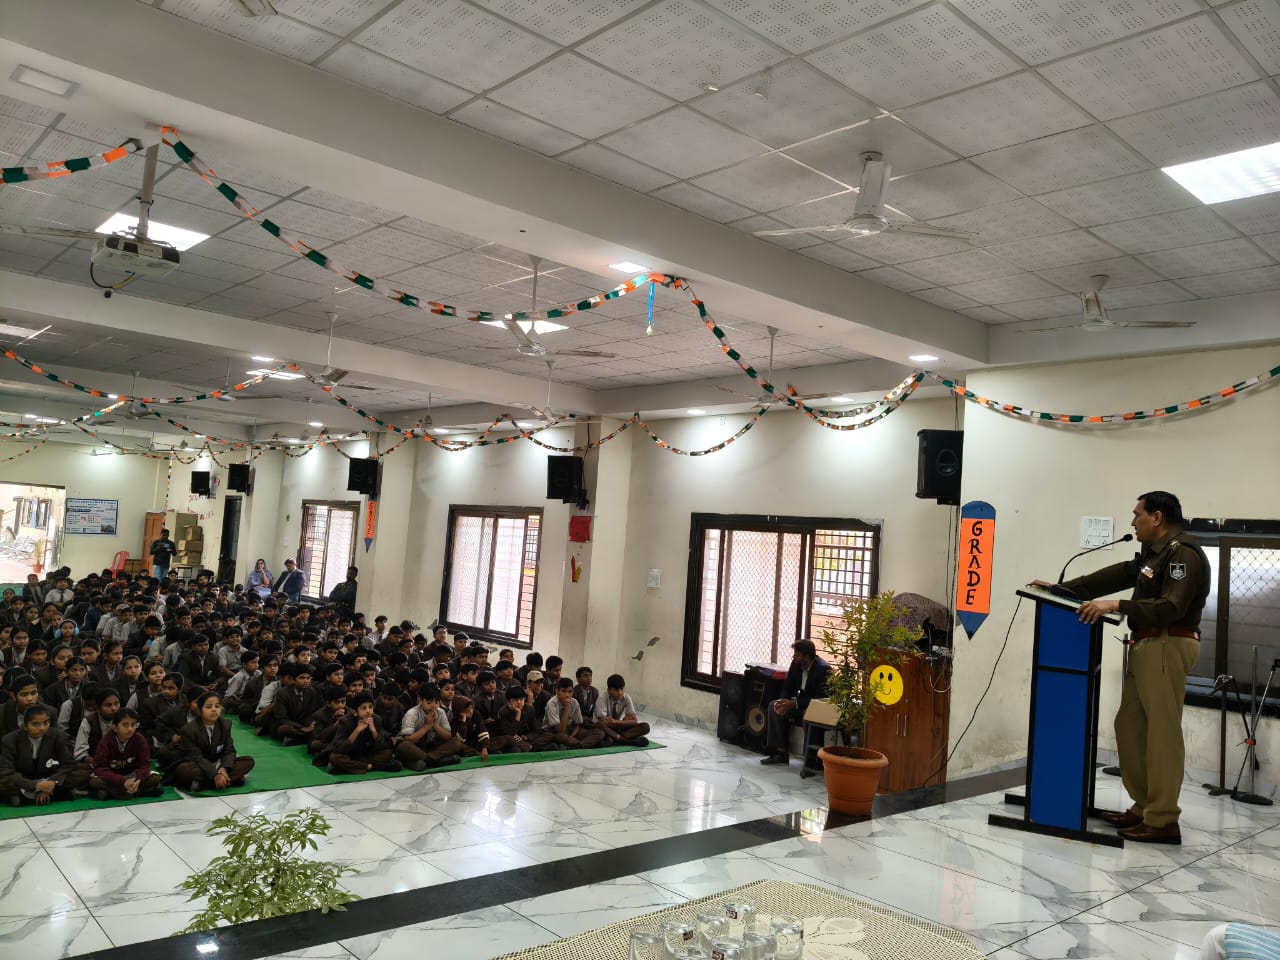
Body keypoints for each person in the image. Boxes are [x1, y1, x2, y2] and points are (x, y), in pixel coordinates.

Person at [1033, 491, 1210, 845]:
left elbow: (1171, 607)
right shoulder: (1154, 555)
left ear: (1157, 518)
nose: (1132, 522)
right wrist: (1061, 589)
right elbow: (1114, 576)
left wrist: (1117, 605)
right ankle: (1144, 806)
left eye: (1137, 515)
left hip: (1167, 644)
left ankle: (1162, 819)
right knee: (1129, 726)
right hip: (1147, 645)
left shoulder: (1183, 555)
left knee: (1162, 734)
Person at [761, 639, 832, 766]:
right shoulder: (795, 664)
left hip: (814, 706)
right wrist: (783, 701)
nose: (794, 657)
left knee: (808, 715)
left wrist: (794, 704)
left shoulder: (823, 669)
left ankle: (811, 760)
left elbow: (819, 699)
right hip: (799, 703)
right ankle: (780, 753)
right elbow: (787, 687)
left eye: (797, 655)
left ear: (807, 657)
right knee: (774, 706)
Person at [0, 704, 88, 806]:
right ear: (25, 726)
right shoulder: (10, 740)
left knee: (83, 773)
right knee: (4, 781)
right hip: (24, 778)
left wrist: (51, 782)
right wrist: (36, 785)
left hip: (50, 775)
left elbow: (68, 764)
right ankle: (58, 794)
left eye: (46, 723)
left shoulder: (58, 736)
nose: (42, 728)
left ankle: (24, 797)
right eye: (35, 724)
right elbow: (8, 771)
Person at [171, 691, 255, 792]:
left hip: (218, 763)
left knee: (249, 761)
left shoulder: (225, 725)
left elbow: (229, 751)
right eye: (208, 707)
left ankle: (203, 784)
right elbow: (196, 757)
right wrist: (214, 774)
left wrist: (224, 768)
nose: (214, 710)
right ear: (200, 710)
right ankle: (232, 779)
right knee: (182, 770)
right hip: (197, 765)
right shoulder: (188, 730)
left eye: (217, 706)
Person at [90, 707, 163, 800]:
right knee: (95, 782)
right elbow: (100, 768)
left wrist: (139, 780)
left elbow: (144, 765)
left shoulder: (140, 740)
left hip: (131, 775)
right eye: (125, 725)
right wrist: (123, 781)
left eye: (133, 725)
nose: (130, 729)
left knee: (155, 778)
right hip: (112, 776)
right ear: (115, 727)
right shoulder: (106, 741)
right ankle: (139, 792)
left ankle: (114, 793)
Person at [328, 691, 400, 774]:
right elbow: (340, 749)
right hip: (350, 754)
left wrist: (374, 731)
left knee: (388, 753)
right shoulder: (345, 721)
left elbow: (382, 746)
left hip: (367, 754)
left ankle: (351, 767)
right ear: (355, 712)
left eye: (370, 707)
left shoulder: (377, 719)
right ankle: (371, 766)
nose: (368, 711)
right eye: (364, 708)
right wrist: (357, 730)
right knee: (334, 757)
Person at [395, 684, 463, 770]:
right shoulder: (411, 714)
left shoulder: (440, 712)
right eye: (429, 702)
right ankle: (435, 761)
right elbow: (408, 739)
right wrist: (427, 726)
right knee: (404, 747)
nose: (433, 706)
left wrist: (435, 725)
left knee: (456, 742)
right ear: (420, 700)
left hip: (432, 747)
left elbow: (448, 736)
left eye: (436, 702)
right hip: (416, 747)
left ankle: (427, 760)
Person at [541, 677, 606, 750]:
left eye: (570, 692)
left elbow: (578, 724)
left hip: (569, 729)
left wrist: (572, 736)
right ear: (557, 691)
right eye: (564, 691)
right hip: (553, 731)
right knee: (561, 737)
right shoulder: (552, 704)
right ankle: (583, 744)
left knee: (599, 733)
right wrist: (566, 707)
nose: (567, 695)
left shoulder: (574, 702)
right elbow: (560, 730)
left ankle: (577, 745)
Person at [595, 674, 650, 747]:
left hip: (617, 726)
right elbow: (604, 722)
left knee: (645, 726)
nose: (620, 693)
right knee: (600, 725)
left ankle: (615, 738)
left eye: (621, 689)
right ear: (609, 691)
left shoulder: (626, 697)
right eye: (616, 690)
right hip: (608, 728)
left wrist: (616, 721)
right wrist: (624, 721)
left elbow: (634, 721)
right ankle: (626, 740)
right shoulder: (602, 698)